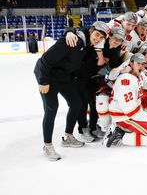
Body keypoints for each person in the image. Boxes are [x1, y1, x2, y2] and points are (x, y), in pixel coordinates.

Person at [34, 23, 107, 161]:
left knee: (76, 103)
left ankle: (68, 137)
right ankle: (47, 146)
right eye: (97, 34)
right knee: (51, 109)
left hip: (64, 77)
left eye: (101, 37)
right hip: (48, 76)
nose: (98, 38)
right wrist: (43, 81)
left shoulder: (86, 45)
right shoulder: (72, 40)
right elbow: (45, 60)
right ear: (91, 31)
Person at [105, 54, 147, 147]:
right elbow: (129, 109)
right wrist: (145, 117)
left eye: (143, 64)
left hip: (130, 113)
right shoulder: (125, 80)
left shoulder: (139, 75)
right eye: (138, 63)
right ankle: (119, 136)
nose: (141, 66)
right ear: (131, 64)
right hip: (123, 116)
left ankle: (121, 130)